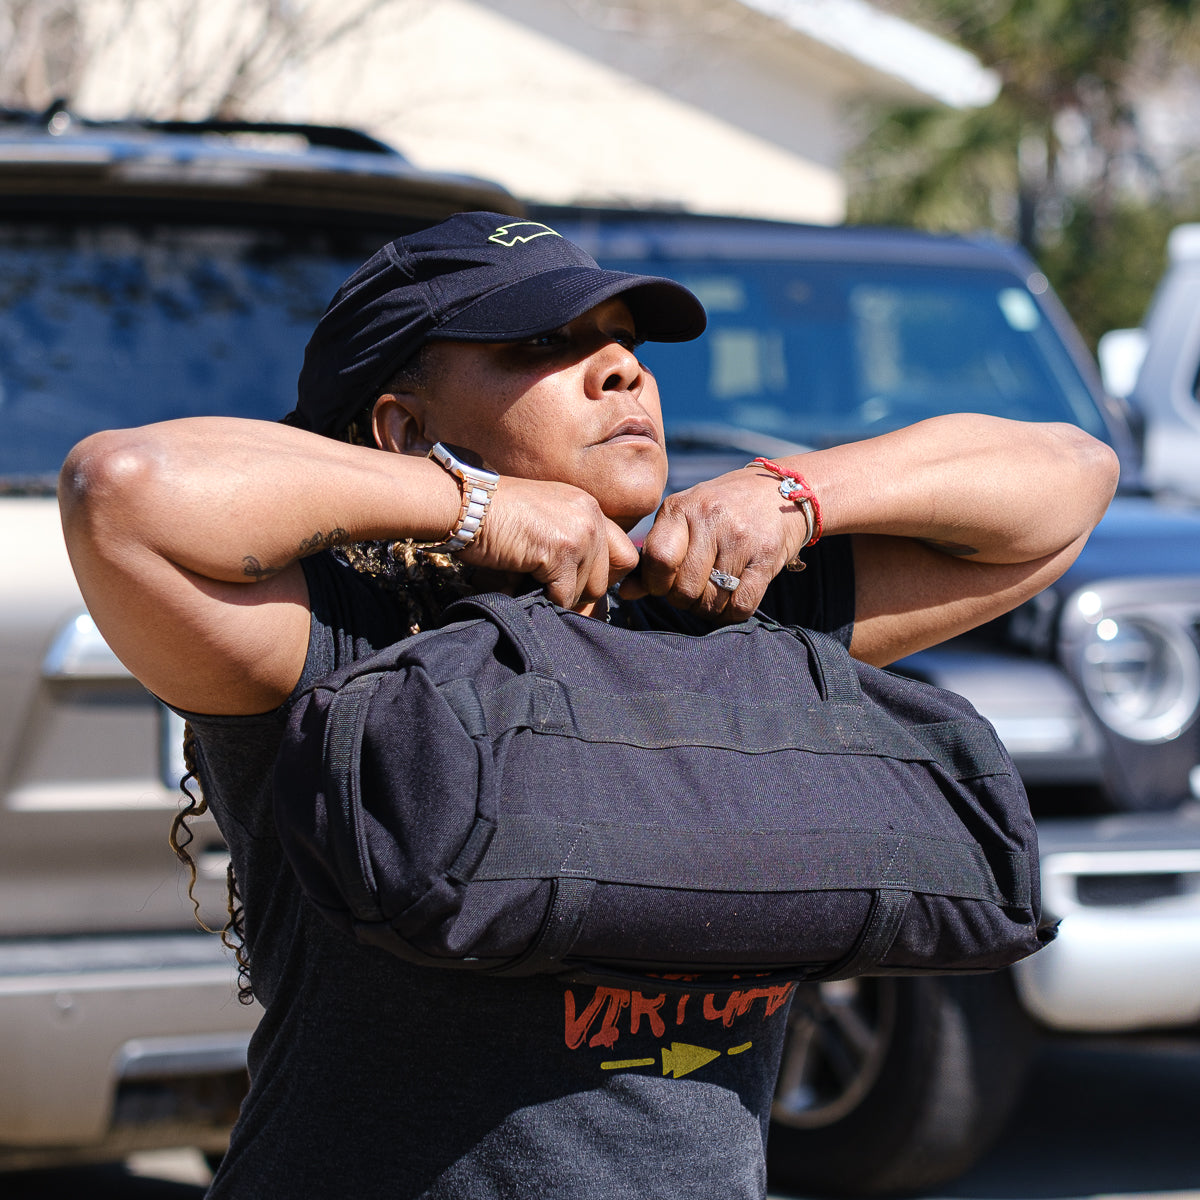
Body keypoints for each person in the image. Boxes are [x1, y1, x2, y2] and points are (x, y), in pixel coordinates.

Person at [59, 211, 1118, 1200]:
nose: (622, 369)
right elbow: (125, 487)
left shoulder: (722, 612)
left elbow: (1067, 480)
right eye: (541, 347)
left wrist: (796, 493)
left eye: (623, 341)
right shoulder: (339, 639)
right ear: (401, 425)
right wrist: (477, 508)